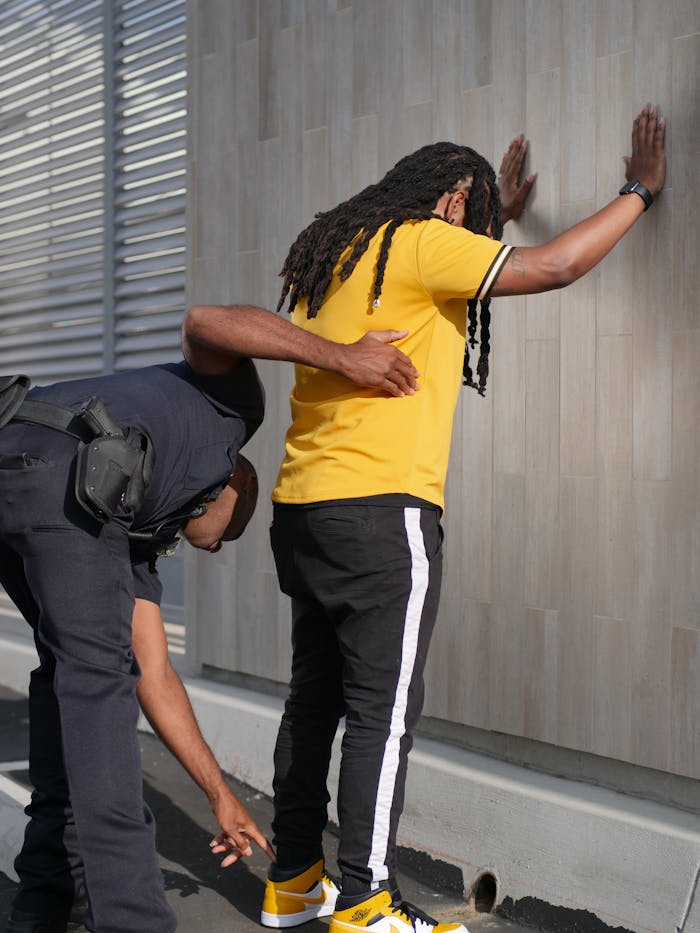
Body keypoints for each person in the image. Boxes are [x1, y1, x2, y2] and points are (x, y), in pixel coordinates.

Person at [260, 106, 666, 933]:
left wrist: (498, 214)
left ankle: (293, 881)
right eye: (476, 216)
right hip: (384, 517)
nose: (480, 235)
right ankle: (368, 900)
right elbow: (553, 268)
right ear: (451, 201)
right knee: (383, 711)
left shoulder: (339, 251)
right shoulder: (421, 240)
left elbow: (455, 266)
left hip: (304, 510)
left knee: (314, 699)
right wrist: (639, 192)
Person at [0, 304, 419, 933]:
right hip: (67, 472)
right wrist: (341, 355)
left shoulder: (139, 525)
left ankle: (44, 897)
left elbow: (156, 675)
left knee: (70, 676)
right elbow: (205, 321)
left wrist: (221, 795)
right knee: (96, 695)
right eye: (223, 535)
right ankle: (131, 920)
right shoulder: (231, 414)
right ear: (234, 488)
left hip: (18, 458)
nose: (211, 546)